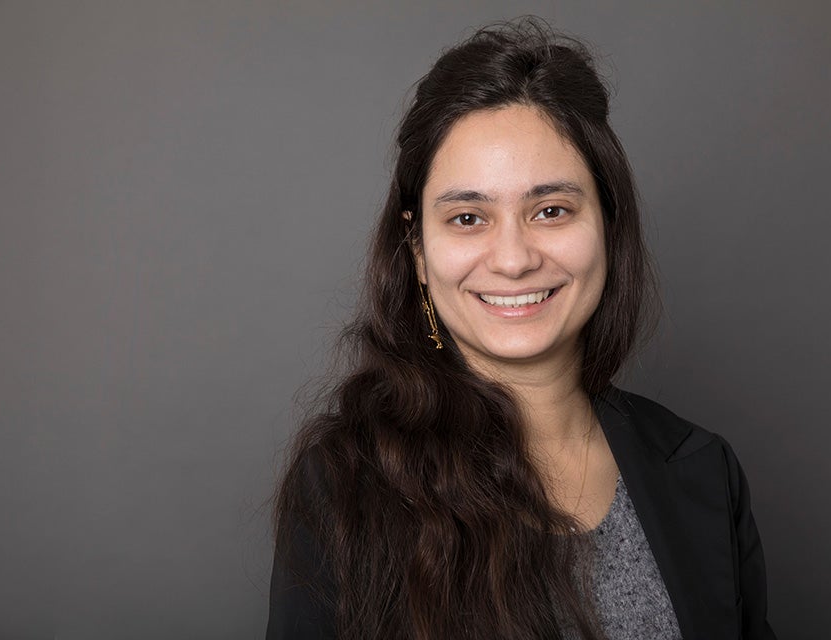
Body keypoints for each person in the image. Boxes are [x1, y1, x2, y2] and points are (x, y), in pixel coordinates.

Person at [267, 18, 776, 640]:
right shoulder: (344, 483)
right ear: (418, 253)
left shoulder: (704, 470)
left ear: (609, 229)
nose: (513, 258)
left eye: (552, 210)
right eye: (467, 218)